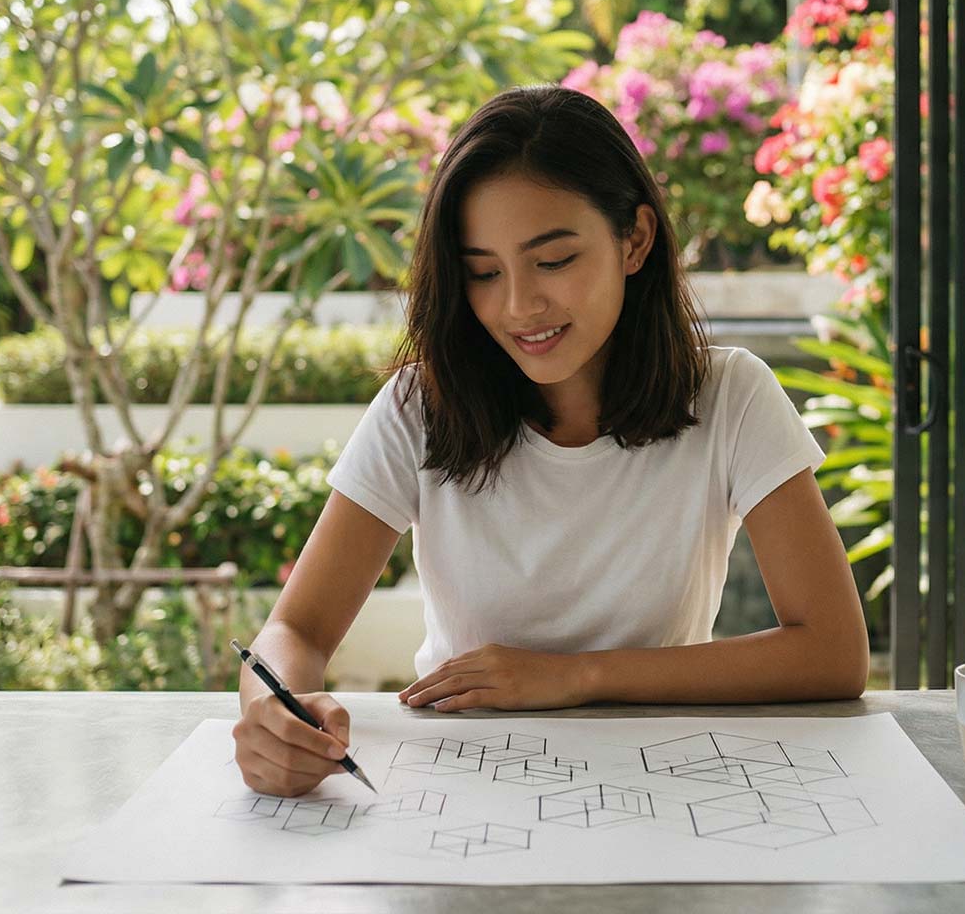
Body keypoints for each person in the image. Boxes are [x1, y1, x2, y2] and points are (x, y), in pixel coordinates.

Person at [232, 84, 868, 797]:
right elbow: (297, 631)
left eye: (554, 260)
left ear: (635, 240)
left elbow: (833, 651)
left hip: (661, 780)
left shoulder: (731, 397)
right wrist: (270, 710)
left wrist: (575, 676)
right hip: (465, 788)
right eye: (483, 272)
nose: (518, 306)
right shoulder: (421, 407)